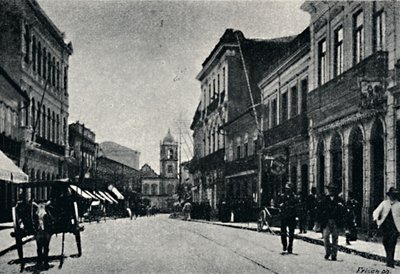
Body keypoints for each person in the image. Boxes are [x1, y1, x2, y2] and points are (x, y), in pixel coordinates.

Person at [317, 183, 346, 261]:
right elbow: (320, 210)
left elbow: (344, 210)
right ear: (328, 190)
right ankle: (328, 252)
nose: (331, 191)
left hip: (336, 221)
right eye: (330, 190)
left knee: (335, 238)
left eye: (333, 190)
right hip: (326, 221)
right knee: (326, 237)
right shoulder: (324, 199)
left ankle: (334, 254)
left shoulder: (339, 200)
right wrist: (319, 221)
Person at [373, 187, 400, 268]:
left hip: (395, 227)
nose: (392, 196)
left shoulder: (399, 204)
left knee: (392, 242)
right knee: (385, 242)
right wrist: (376, 218)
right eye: (391, 195)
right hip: (385, 226)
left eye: (394, 195)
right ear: (389, 195)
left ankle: (390, 261)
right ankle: (389, 258)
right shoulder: (384, 203)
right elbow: (376, 211)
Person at [278, 183, 297, 254]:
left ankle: (290, 246)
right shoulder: (282, 197)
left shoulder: (294, 197)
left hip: (292, 217)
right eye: (286, 189)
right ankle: (284, 244)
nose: (287, 190)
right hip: (284, 217)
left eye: (288, 189)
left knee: (291, 233)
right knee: (283, 232)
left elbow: (297, 207)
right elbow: (278, 205)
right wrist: (280, 205)